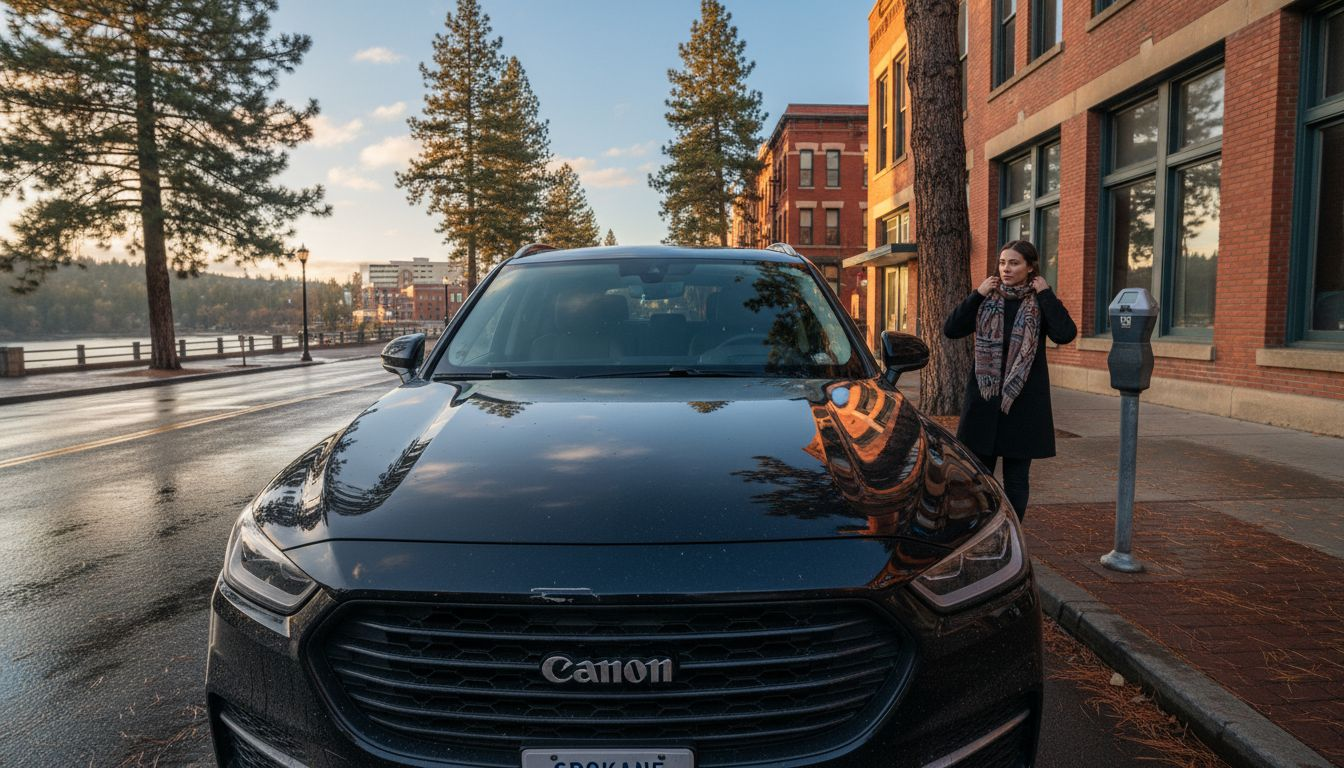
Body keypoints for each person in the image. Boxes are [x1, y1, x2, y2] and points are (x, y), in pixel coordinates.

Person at [943, 240, 1077, 519]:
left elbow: (1065, 334)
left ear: (1030, 268)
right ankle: (979, 529)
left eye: (1014, 263)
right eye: (1002, 262)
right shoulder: (987, 298)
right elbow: (952, 329)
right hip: (985, 401)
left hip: (1022, 404)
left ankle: (1013, 530)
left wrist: (1046, 295)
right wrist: (976, 295)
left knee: (1016, 480)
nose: (1006, 268)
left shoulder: (1039, 301)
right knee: (977, 477)